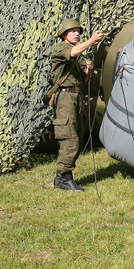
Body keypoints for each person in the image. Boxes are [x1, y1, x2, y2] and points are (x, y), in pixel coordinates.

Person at [49, 19, 104, 192]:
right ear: (64, 34)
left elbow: (84, 79)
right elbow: (72, 53)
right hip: (64, 98)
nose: (76, 34)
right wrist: (92, 40)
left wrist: (87, 69)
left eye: (78, 31)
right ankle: (63, 177)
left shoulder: (78, 55)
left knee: (77, 136)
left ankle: (64, 176)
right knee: (69, 138)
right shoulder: (60, 48)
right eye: (72, 31)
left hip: (76, 97)